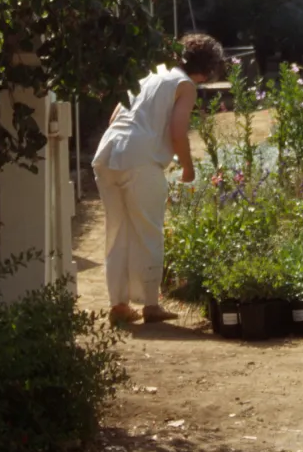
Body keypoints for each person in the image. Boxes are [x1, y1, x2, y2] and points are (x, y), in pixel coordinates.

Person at [92, 32, 224, 324]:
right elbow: (178, 131)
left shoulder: (152, 74)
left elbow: (116, 116)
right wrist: (187, 167)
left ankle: (119, 306)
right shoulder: (185, 84)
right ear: (206, 67)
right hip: (140, 161)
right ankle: (151, 305)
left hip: (108, 153)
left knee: (117, 231)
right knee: (148, 230)